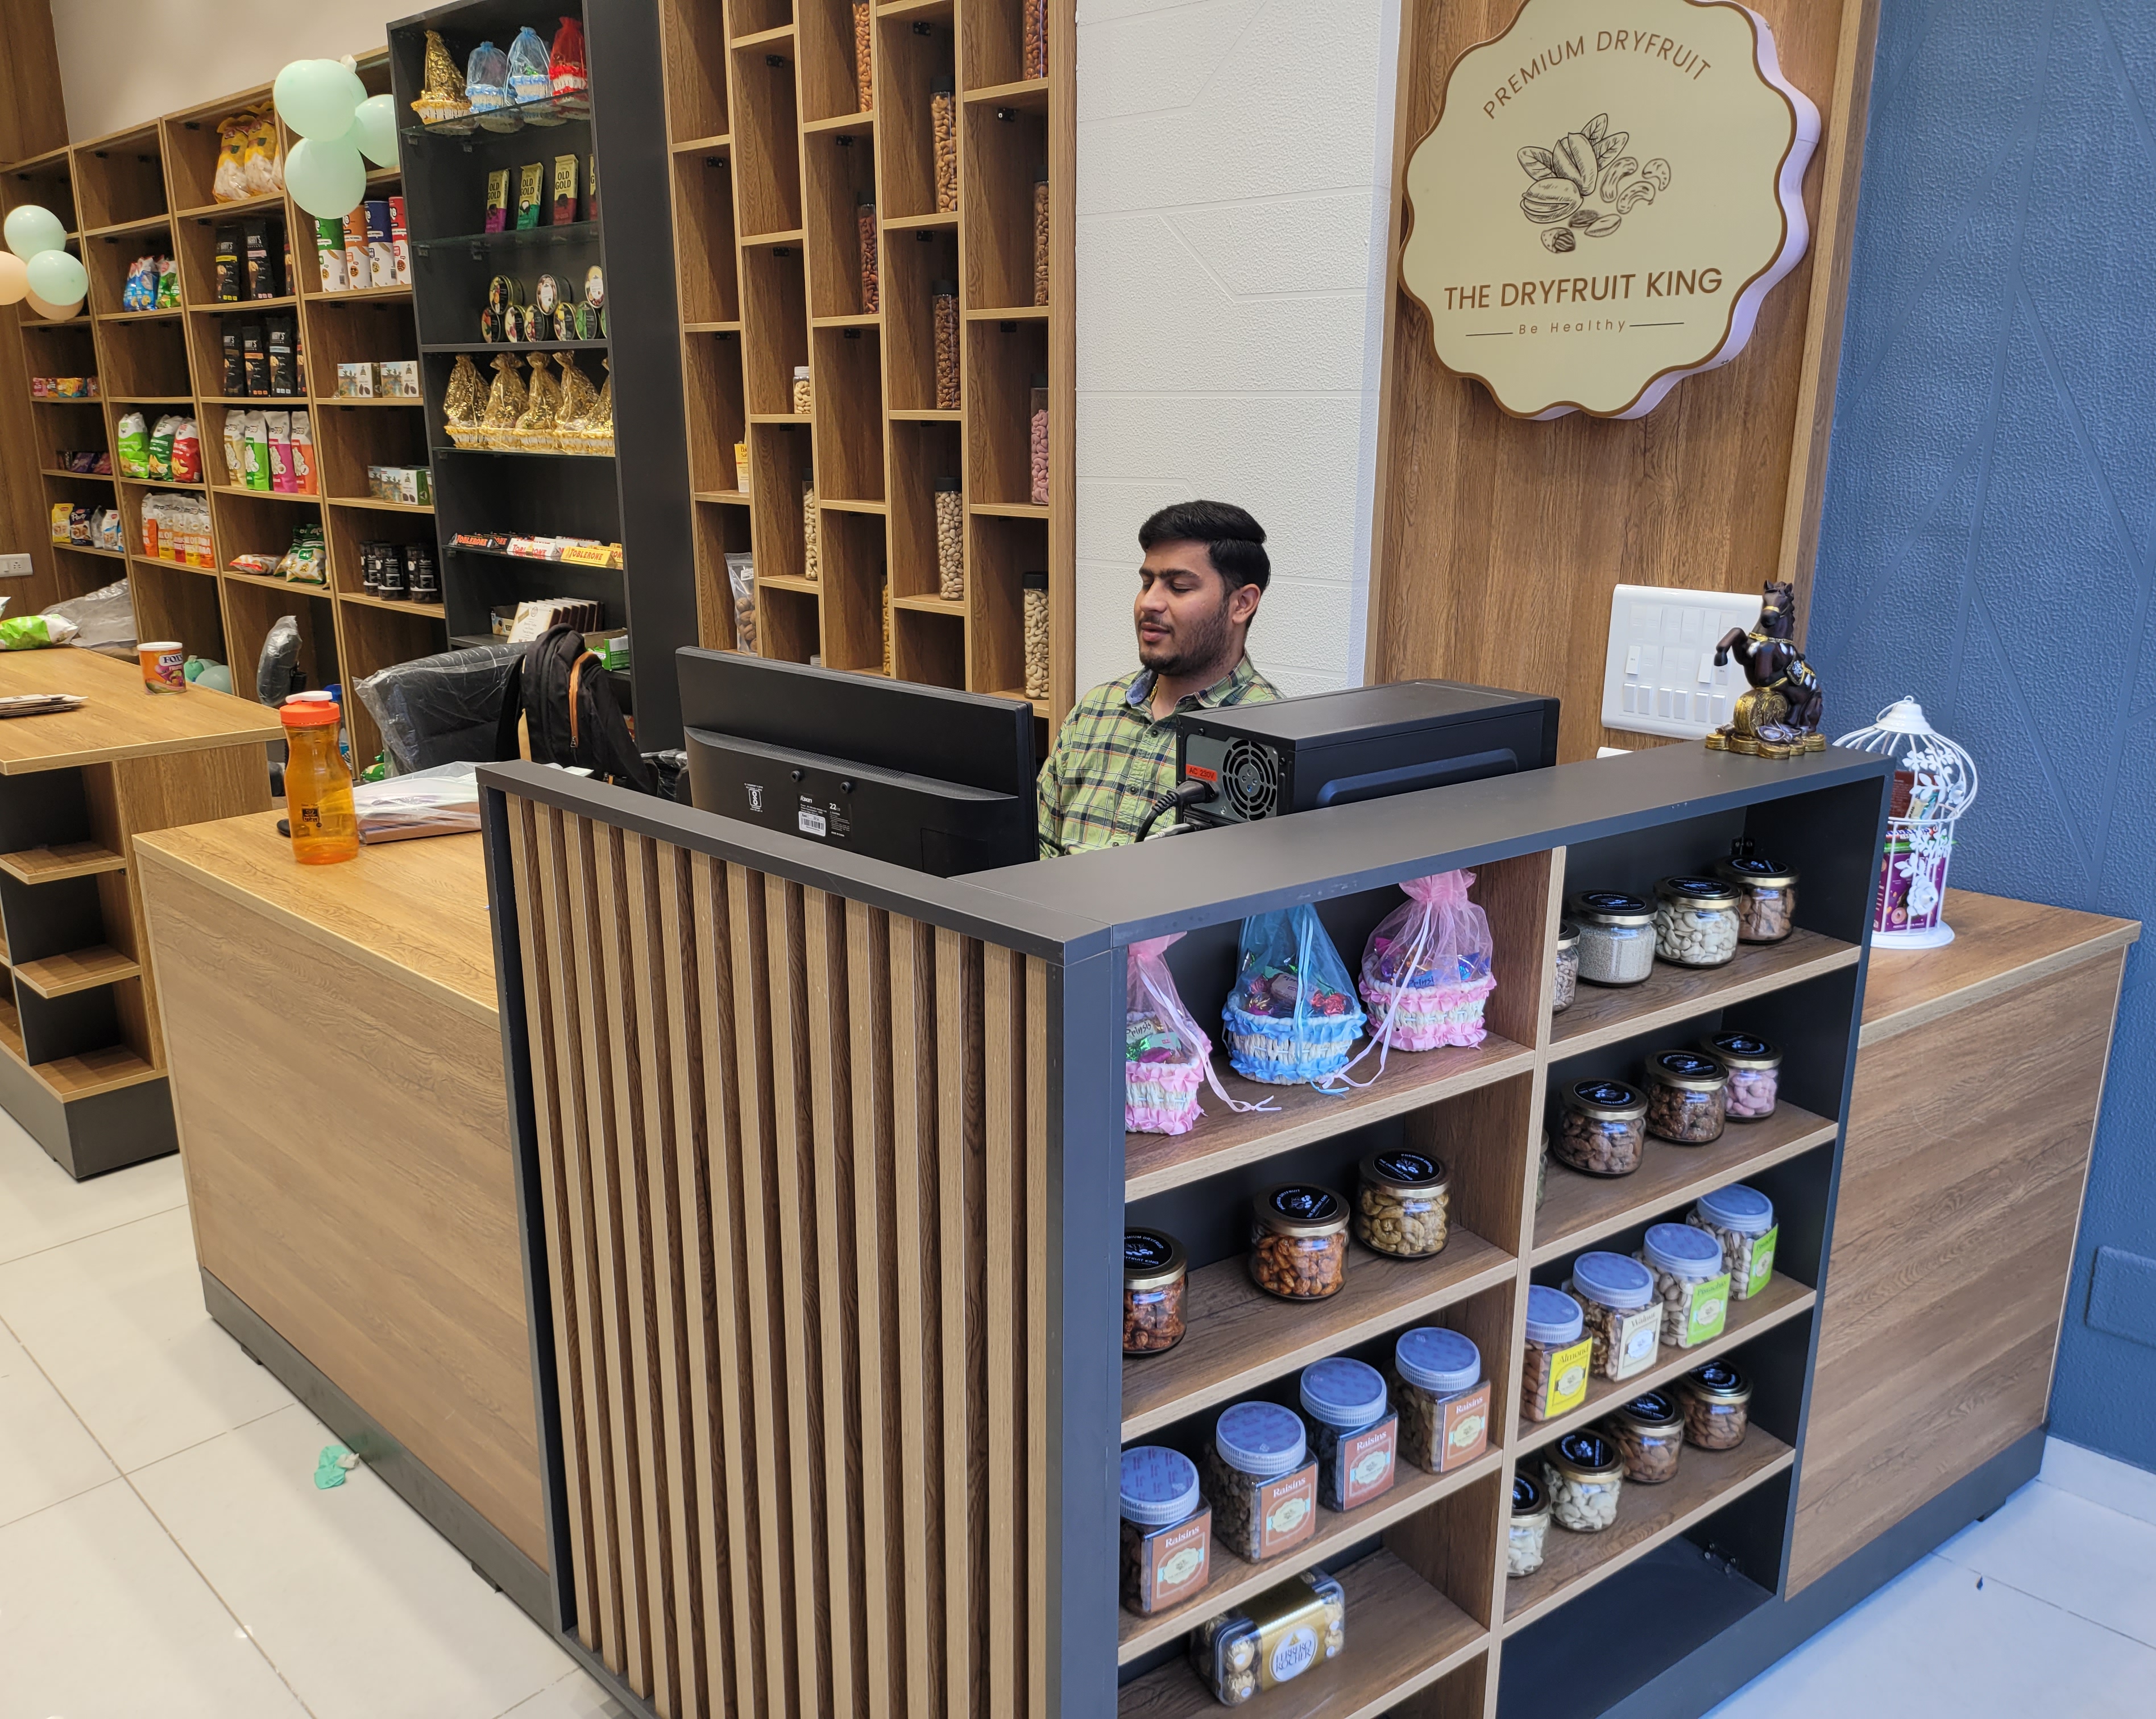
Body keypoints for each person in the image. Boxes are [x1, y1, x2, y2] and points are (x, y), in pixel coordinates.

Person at [1037, 499, 1280, 856]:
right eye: (1147, 583)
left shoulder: (1270, 739)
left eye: (1179, 587)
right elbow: (1036, 846)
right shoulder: (1095, 710)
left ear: (1241, 604)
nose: (1149, 602)